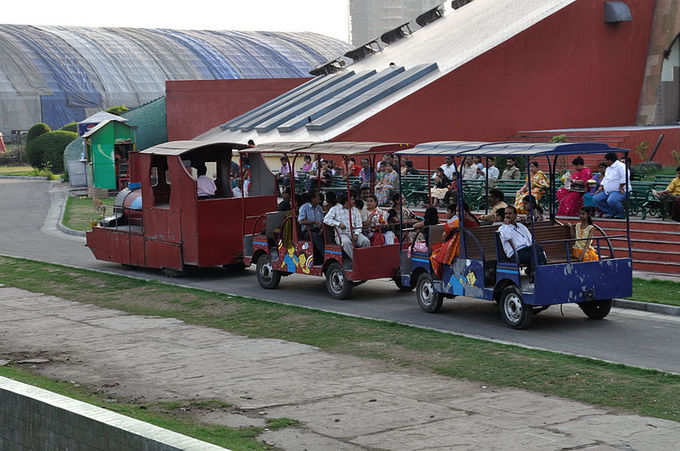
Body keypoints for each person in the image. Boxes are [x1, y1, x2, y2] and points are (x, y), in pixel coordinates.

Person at [430, 203, 480, 278]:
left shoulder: (460, 221)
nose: (456, 213)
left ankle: (440, 275)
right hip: (474, 247)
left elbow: (446, 232)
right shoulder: (473, 219)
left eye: (458, 211)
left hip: (464, 248)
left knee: (435, 254)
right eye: (456, 211)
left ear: (465, 212)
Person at [498, 206, 547, 274]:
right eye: (506, 214)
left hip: (527, 250)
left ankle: (536, 272)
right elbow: (507, 237)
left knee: (537, 249)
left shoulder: (521, 226)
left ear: (515, 215)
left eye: (510, 213)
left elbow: (530, 239)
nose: (507, 216)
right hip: (515, 253)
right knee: (536, 251)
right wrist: (506, 225)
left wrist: (532, 246)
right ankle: (538, 273)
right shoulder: (502, 228)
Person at [323, 193, 369, 259]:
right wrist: (338, 224)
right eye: (352, 199)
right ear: (346, 200)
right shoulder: (335, 209)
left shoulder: (355, 210)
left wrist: (356, 234)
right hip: (341, 234)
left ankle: (365, 258)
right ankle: (355, 259)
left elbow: (359, 224)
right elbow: (326, 219)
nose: (354, 201)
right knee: (346, 242)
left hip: (354, 233)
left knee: (365, 241)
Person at [593, 152, 627, 219]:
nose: (605, 162)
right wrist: (600, 187)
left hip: (619, 191)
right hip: (607, 191)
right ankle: (611, 212)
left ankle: (621, 214)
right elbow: (606, 179)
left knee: (611, 200)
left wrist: (621, 187)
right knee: (596, 199)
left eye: (606, 160)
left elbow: (625, 177)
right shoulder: (608, 168)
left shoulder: (621, 166)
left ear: (610, 160)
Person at [298, 191, 325, 263]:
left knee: (327, 234)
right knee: (315, 236)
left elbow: (323, 219)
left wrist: (322, 228)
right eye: (317, 197)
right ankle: (325, 255)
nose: (319, 198)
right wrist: (313, 222)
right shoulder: (304, 207)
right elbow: (300, 221)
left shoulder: (319, 207)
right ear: (313, 199)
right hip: (307, 231)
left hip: (318, 229)